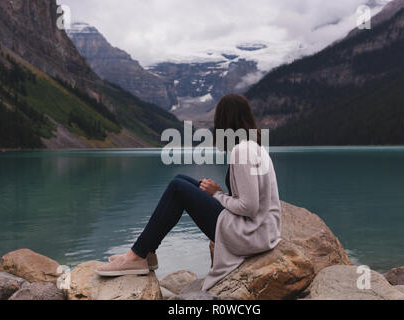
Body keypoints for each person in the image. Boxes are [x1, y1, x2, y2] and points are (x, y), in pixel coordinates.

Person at [95, 94, 281, 291]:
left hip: (250, 236)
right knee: (181, 180)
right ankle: (147, 252)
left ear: (224, 121)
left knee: (177, 189)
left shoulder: (242, 151)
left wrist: (217, 195)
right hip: (260, 231)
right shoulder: (254, 146)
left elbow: (249, 207)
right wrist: (216, 193)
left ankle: (137, 255)